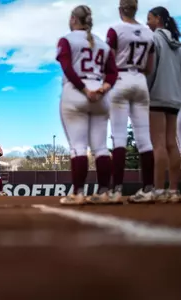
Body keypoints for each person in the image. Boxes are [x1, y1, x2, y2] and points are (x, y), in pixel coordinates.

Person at [56, 5, 118, 205]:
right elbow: (113, 73)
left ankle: (78, 192)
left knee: (78, 147)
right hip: (100, 94)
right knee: (100, 148)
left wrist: (84, 89)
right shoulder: (102, 44)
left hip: (76, 93)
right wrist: (103, 88)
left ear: (74, 19)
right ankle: (104, 192)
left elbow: (67, 68)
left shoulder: (67, 40)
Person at [106, 0, 155, 203]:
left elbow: (109, 60)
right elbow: (149, 66)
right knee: (144, 138)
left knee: (118, 137)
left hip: (120, 78)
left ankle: (116, 189)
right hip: (140, 80)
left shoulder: (116, 30)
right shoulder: (148, 32)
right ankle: (148, 188)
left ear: (120, 10)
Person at [146, 6, 181, 202]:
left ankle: (158, 189)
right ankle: (174, 190)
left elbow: (150, 69)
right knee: (171, 143)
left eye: (149, 18)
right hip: (175, 98)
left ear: (158, 19)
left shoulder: (154, 40)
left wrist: (147, 91)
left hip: (158, 95)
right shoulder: (178, 43)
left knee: (158, 143)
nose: (147, 22)